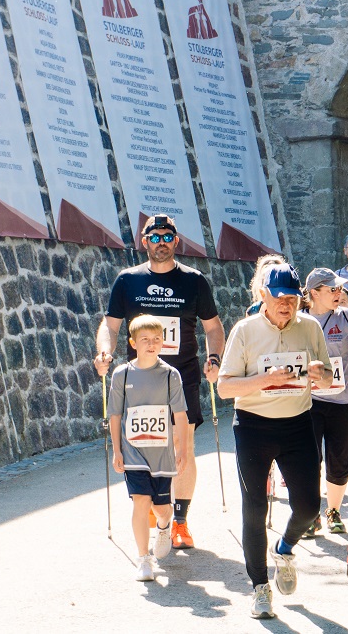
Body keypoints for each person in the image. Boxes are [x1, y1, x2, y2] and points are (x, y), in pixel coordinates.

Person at [94, 214, 224, 550]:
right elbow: (109, 326)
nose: (161, 243)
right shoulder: (127, 281)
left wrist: (215, 360)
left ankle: (179, 522)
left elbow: (213, 328)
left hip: (183, 378)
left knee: (184, 448)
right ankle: (154, 504)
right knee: (145, 444)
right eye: (155, 237)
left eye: (167, 237)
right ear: (144, 241)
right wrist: (105, 354)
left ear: (176, 242)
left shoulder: (194, 281)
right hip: (139, 380)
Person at [216, 264, 334, 619]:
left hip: (298, 424)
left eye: (293, 298)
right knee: (254, 509)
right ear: (263, 295)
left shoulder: (310, 327)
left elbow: (329, 379)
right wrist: (263, 380)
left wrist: (320, 374)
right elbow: (224, 387)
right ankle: (260, 587)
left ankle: (284, 548)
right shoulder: (245, 331)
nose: (286, 305)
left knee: (310, 507)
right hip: (253, 427)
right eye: (279, 297)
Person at [107, 315, 191, 582]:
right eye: (145, 340)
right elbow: (115, 416)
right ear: (133, 343)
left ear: (163, 342)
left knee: (161, 507)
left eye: (156, 339)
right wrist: (117, 450)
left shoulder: (170, 375)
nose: (151, 344)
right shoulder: (122, 374)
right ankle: (144, 559)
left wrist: (183, 450)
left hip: (162, 453)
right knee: (140, 502)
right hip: (133, 452)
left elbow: (180, 415)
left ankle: (165, 526)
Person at [303, 268, 348, 534]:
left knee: (340, 461)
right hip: (308, 402)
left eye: (339, 289)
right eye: (332, 290)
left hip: (343, 401)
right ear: (314, 293)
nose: (339, 294)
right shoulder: (298, 319)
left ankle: (333, 510)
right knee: (308, 460)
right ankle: (310, 514)